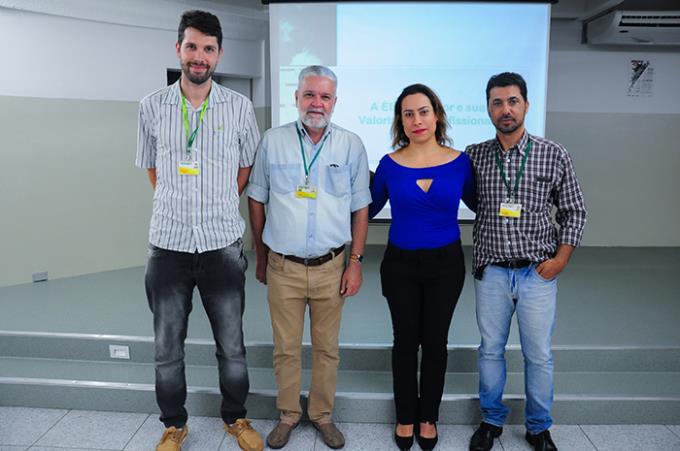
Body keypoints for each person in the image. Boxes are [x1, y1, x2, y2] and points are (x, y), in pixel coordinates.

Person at [135, 10, 264, 451]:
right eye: (192, 46)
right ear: (179, 49)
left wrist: (219, 200)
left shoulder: (240, 107)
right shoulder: (151, 106)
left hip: (222, 244)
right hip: (167, 246)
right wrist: (179, 200)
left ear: (218, 54)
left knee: (231, 345)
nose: (199, 56)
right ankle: (174, 425)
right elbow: (153, 169)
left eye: (208, 48)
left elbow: (246, 165)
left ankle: (236, 418)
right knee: (167, 349)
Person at [247, 65, 370, 450]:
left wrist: (356, 261)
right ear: (296, 97)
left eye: (325, 96)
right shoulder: (273, 141)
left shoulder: (351, 145)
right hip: (283, 266)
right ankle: (288, 414)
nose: (317, 103)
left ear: (335, 101)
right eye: (310, 95)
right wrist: (262, 256)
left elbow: (361, 207)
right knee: (285, 347)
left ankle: (321, 415)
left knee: (326, 348)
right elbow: (256, 197)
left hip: (331, 266)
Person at [466, 72, 587, 451]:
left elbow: (575, 211)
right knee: (490, 351)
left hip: (537, 272)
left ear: (526, 105)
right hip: (492, 273)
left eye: (513, 101)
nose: (506, 109)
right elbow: (467, 200)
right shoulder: (474, 156)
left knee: (539, 355)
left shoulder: (553, 154)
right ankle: (491, 421)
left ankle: (538, 427)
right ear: (488, 108)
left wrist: (561, 260)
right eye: (497, 102)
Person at [369, 84, 475, 451]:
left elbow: (485, 204)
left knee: (435, 343)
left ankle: (428, 416)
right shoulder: (388, 165)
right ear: (400, 120)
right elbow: (363, 210)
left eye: (423, 111)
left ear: (437, 115)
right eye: (408, 113)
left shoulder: (461, 162)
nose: (417, 120)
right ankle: (405, 415)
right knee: (404, 342)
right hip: (400, 265)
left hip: (446, 264)